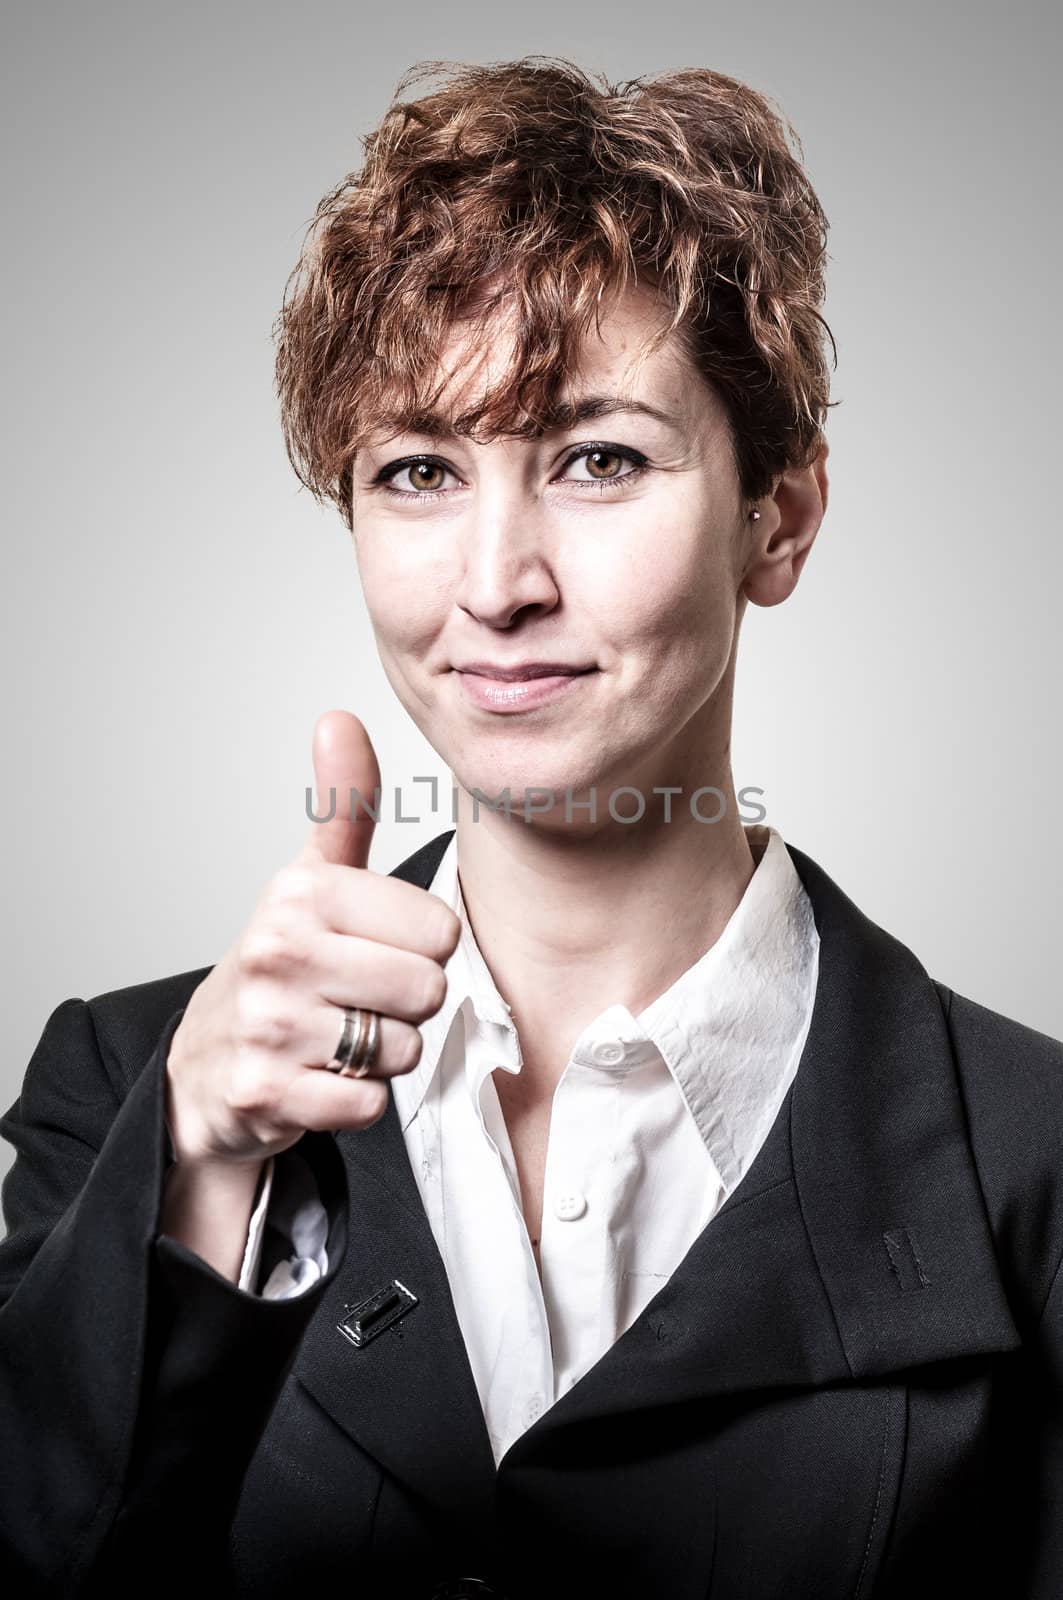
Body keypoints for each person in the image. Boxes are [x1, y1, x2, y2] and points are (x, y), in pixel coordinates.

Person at [1, 54, 1061, 1600]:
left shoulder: (1033, 1168)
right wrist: (203, 1177)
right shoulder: (132, 1098)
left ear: (782, 514)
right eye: (420, 471)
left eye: (599, 459)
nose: (497, 582)